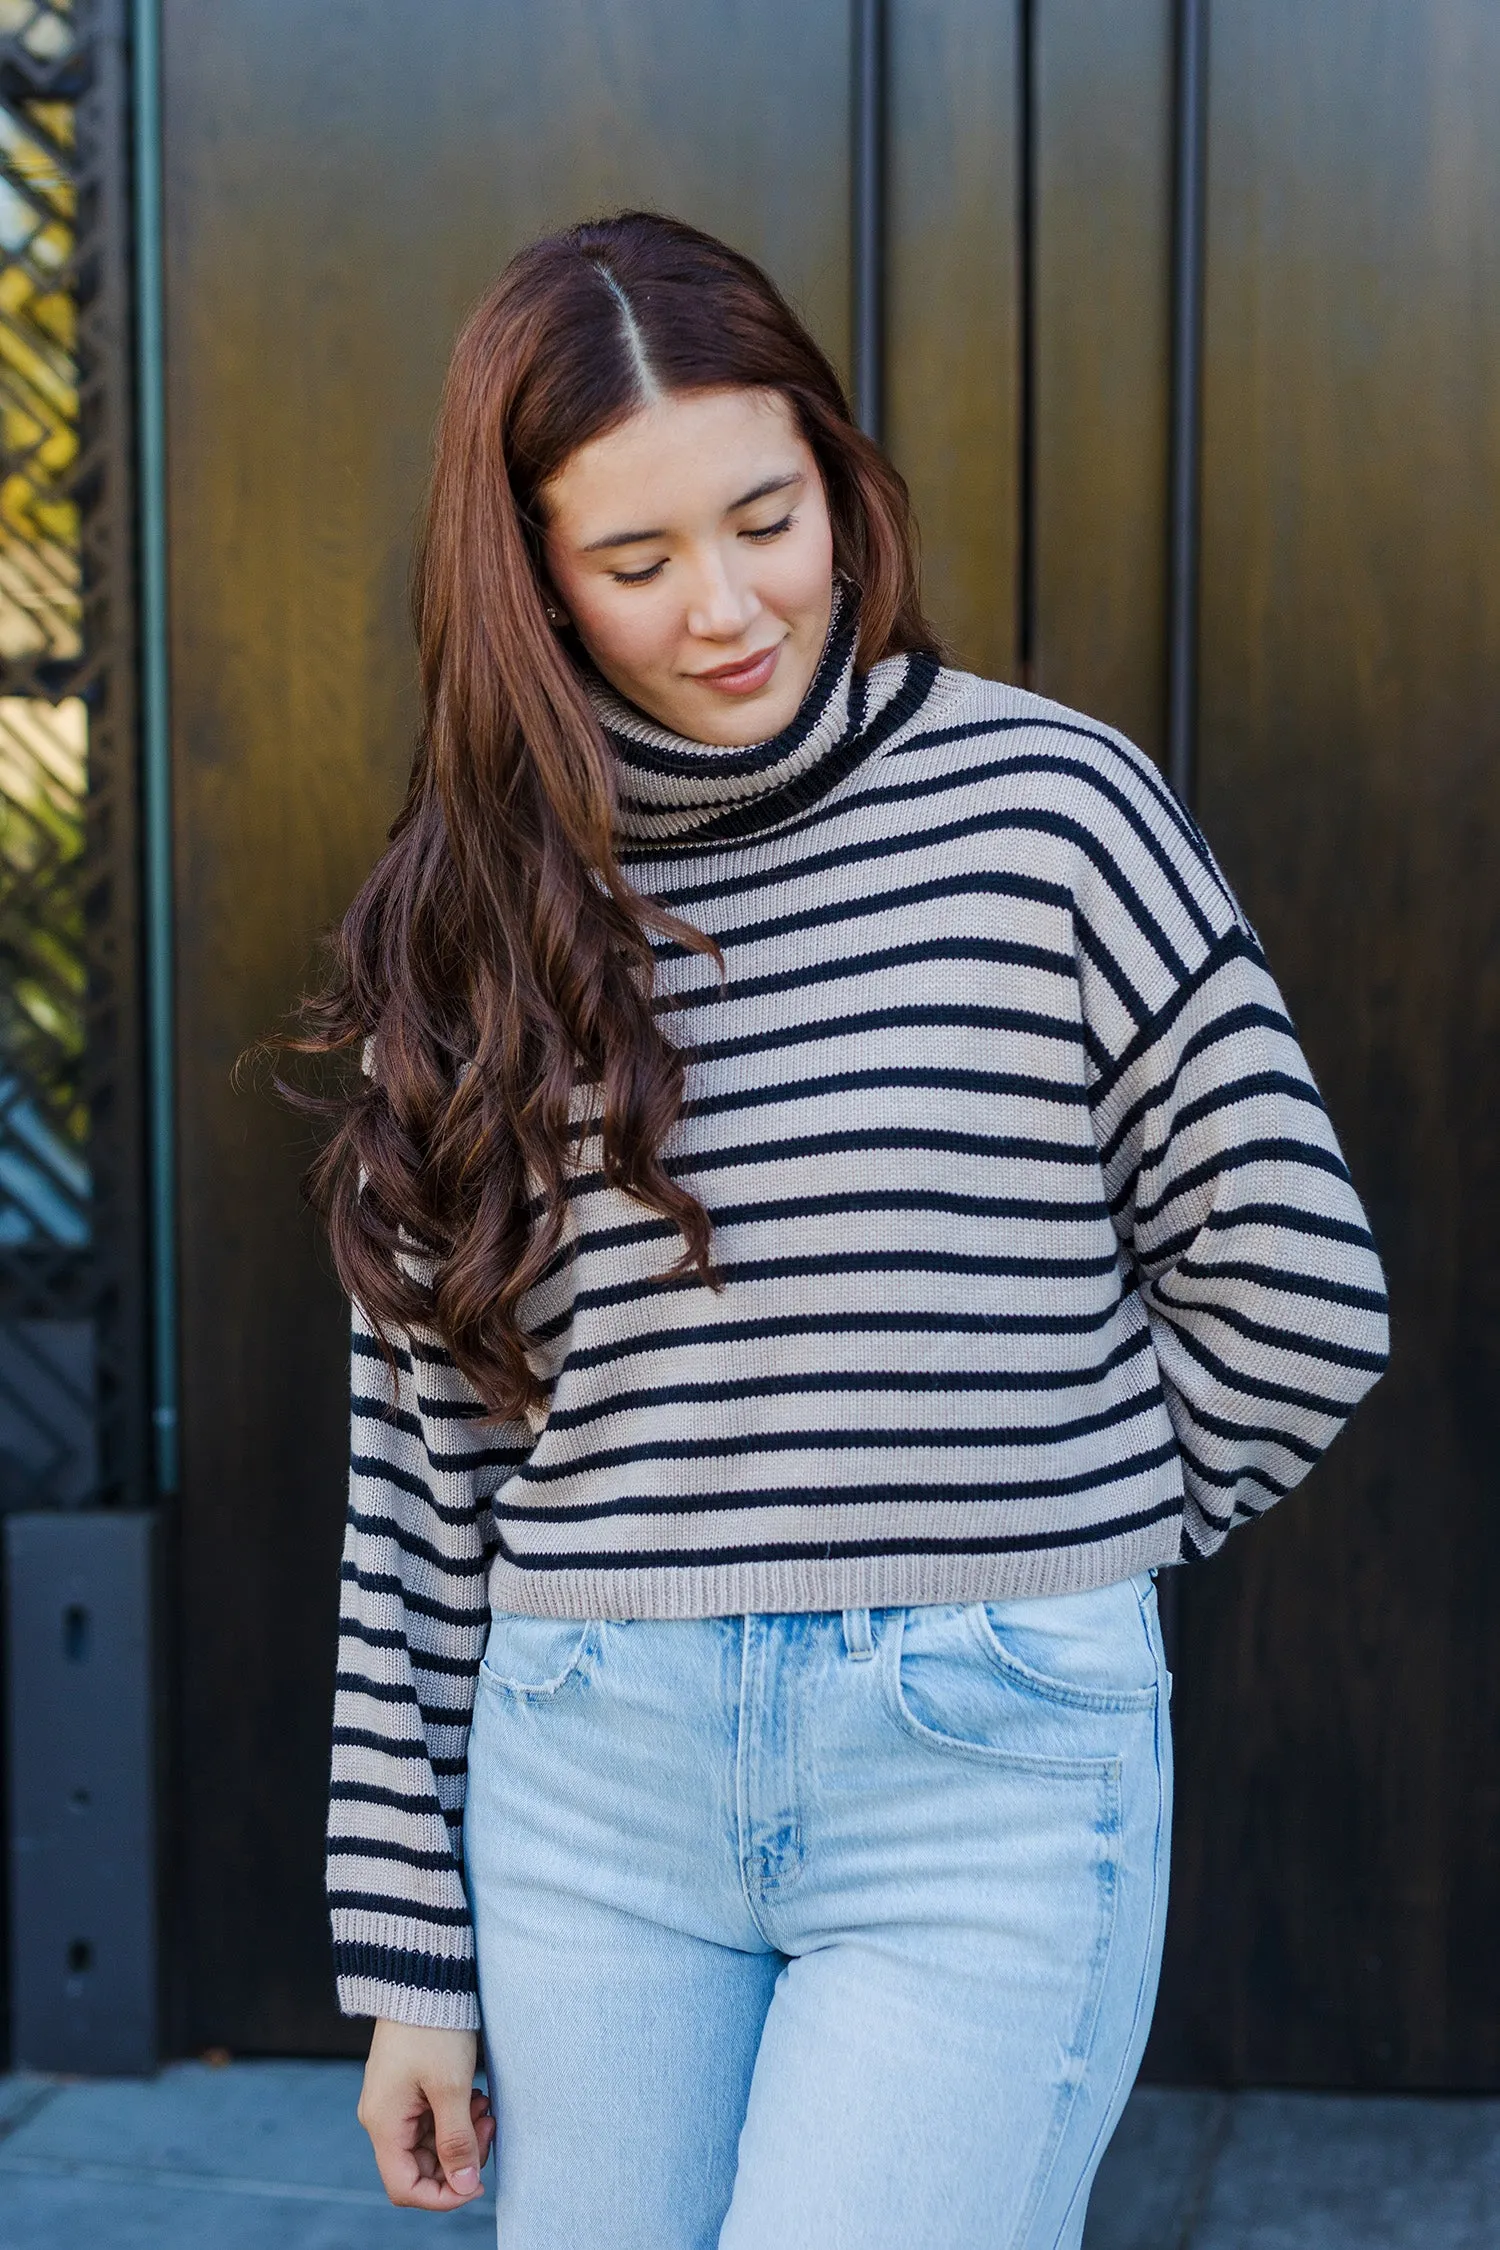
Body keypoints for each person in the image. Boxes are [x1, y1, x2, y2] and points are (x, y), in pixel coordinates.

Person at [289, 212, 1388, 2248]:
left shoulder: (1052, 816)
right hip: (586, 1789)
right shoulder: (468, 916)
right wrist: (406, 1968)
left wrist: (1044, 1535)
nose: (726, 605)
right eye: (633, 564)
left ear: (838, 477)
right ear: (525, 578)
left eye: (767, 517)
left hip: (978, 1774)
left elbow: (1298, 1295)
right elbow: (424, 1475)